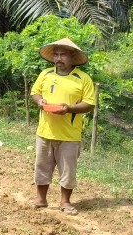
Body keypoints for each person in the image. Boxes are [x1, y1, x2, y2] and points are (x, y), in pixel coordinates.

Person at [30, 38, 96, 215]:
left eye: (63, 55)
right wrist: (40, 101)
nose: (59, 59)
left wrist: (68, 109)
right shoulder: (45, 74)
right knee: (42, 166)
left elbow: (89, 104)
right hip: (45, 131)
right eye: (56, 55)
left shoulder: (83, 79)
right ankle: (41, 199)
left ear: (72, 57)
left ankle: (65, 202)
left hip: (69, 135)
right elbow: (35, 93)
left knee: (68, 170)